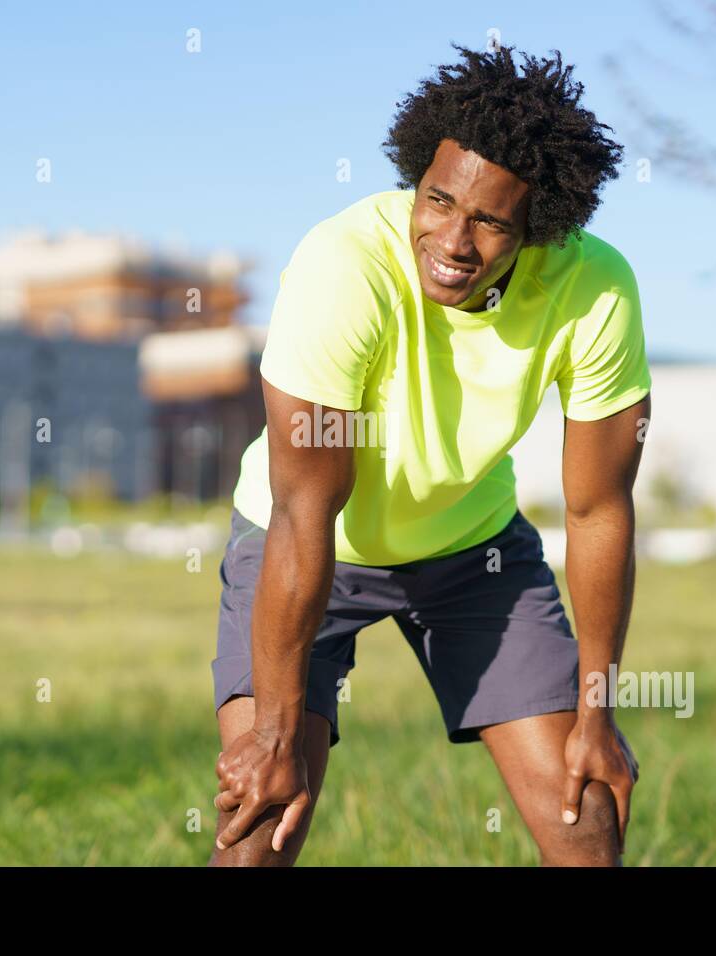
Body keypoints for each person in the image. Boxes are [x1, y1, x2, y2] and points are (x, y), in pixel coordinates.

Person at [209, 42, 651, 866]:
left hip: (471, 550)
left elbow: (598, 509)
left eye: (489, 221)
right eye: (438, 199)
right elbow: (307, 508)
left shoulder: (595, 289)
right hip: (309, 547)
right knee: (261, 823)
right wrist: (274, 730)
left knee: (583, 809)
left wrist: (597, 712)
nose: (451, 238)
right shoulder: (344, 267)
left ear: (540, 227)